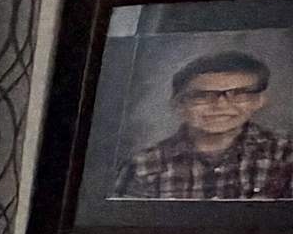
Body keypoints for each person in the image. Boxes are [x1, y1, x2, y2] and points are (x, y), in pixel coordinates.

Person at [115, 49, 289, 201]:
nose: (220, 105)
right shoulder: (143, 165)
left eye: (238, 93)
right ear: (178, 104)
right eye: (202, 95)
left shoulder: (285, 155)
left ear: (259, 100)